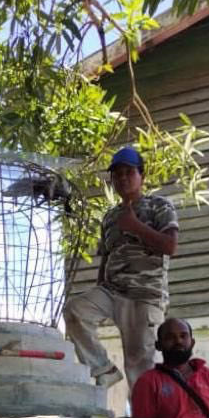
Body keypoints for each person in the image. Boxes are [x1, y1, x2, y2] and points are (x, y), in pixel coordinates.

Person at [63, 145, 179, 391]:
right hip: (111, 291)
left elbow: (170, 246)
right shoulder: (110, 216)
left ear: (142, 176)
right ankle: (103, 369)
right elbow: (106, 257)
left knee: (138, 366)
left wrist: (135, 226)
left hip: (144, 295)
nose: (123, 178)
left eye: (129, 172)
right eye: (117, 174)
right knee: (75, 310)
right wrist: (99, 288)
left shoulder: (160, 206)